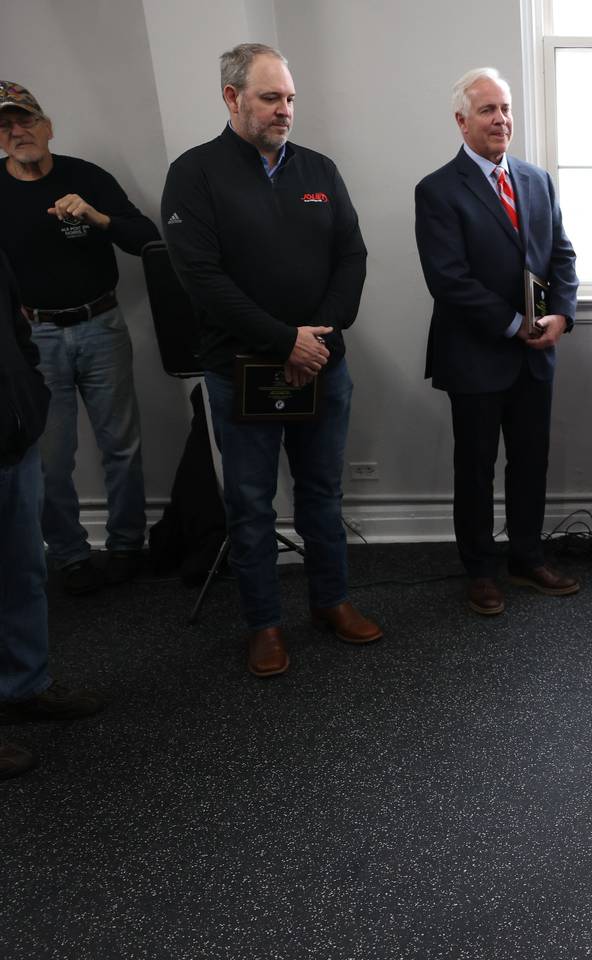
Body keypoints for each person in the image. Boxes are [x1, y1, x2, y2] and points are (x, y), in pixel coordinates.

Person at [161, 43, 381, 678]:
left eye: (289, 98)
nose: (285, 110)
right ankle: (263, 623)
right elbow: (201, 278)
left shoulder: (319, 169)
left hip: (321, 365)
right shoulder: (194, 174)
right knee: (251, 504)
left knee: (321, 492)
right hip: (243, 372)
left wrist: (314, 340)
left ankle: (331, 602)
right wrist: (284, 342)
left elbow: (352, 257)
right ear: (232, 99)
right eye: (270, 98)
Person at [415, 68, 581, 617]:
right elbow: (449, 279)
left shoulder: (536, 180)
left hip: (538, 354)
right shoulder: (437, 190)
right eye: (487, 110)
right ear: (461, 121)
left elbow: (562, 255)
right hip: (476, 355)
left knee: (531, 461)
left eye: (505, 108)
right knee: (477, 467)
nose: (501, 119)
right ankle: (480, 569)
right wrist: (515, 324)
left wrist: (561, 315)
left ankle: (527, 557)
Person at [0, 81, 159, 596]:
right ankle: (69, 554)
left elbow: (147, 240)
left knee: (122, 445)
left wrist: (98, 217)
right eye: (5, 126)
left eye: (24, 120)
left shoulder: (86, 176)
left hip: (101, 326)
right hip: (35, 338)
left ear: (48, 127)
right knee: (49, 456)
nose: (17, 131)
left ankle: (127, 545)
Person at [1, 249, 105, 780]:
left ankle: (24, 687)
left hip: (12, 436)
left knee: (24, 572)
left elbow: (15, 323)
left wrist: (32, 397)